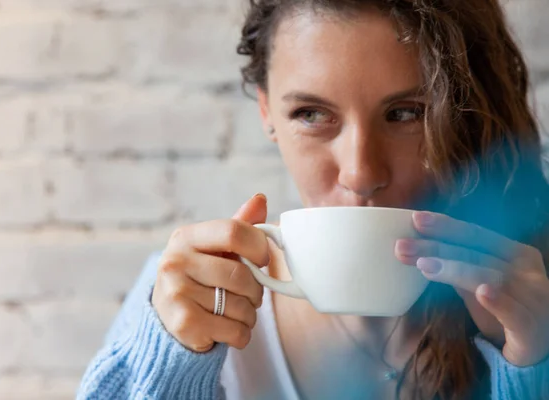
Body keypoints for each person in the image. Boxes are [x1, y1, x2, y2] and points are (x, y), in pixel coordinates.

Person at [77, 0, 549, 399]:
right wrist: (169, 367)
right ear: (267, 112)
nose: (360, 172)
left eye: (406, 113)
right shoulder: (184, 299)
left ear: (463, 117)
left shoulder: (534, 300)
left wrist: (532, 368)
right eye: (311, 113)